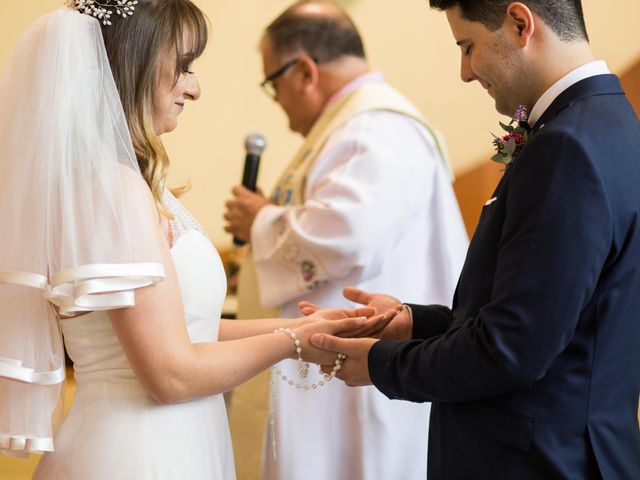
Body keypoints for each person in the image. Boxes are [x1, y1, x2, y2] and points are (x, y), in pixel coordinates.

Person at [0, 1, 378, 479]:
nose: (194, 88)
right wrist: (293, 341)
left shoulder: (120, 182)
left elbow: (182, 332)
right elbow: (171, 374)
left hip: (162, 438)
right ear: (132, 64)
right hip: (138, 452)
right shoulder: (111, 187)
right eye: (182, 66)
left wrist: (308, 326)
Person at [308, 1, 640, 478]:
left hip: (537, 461)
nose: (464, 72)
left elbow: (510, 350)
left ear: (520, 23)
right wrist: (413, 324)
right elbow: (549, 323)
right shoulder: (612, 124)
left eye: (467, 46)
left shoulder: (566, 147)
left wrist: (381, 364)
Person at [223, 1, 468, 478]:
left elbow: (346, 235)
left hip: (356, 382)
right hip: (332, 370)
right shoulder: (351, 127)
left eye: (272, 84)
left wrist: (260, 220)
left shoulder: (376, 126)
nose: (277, 100)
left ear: (305, 72)